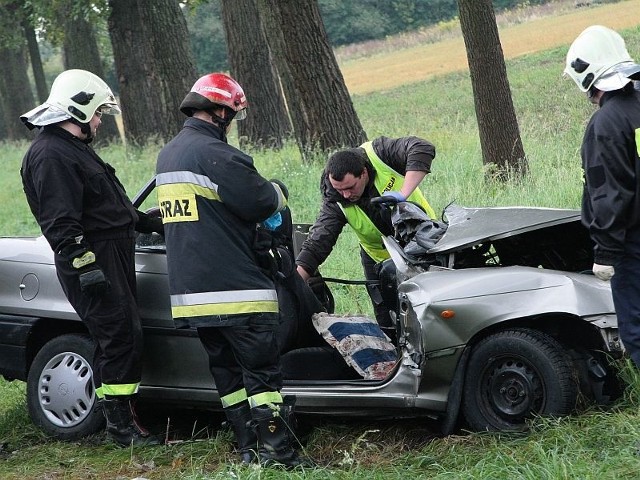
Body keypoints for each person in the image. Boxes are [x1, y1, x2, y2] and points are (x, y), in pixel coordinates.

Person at [156, 72, 309, 467]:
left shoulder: (168, 155)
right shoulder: (218, 155)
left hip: (194, 297)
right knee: (261, 374)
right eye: (233, 115)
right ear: (220, 110)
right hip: (237, 290)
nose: (232, 124)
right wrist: (278, 189)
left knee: (226, 374)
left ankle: (247, 448)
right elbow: (260, 202)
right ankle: (278, 452)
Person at [19, 69, 163, 446]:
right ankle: (121, 429)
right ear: (78, 108)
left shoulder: (73, 149)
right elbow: (61, 223)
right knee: (118, 338)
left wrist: (152, 222)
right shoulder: (51, 154)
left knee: (123, 334)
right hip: (95, 260)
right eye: (98, 112)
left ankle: (124, 420)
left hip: (112, 252)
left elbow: (108, 208)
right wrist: (86, 267)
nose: (100, 120)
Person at [295, 136, 436, 335]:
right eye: (339, 189)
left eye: (350, 187)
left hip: (423, 244)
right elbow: (319, 240)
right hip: (377, 259)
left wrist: (403, 194)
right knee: (388, 321)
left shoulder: (379, 154)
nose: (345, 195)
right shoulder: (335, 199)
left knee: (427, 312)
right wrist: (294, 282)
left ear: (363, 173)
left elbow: (423, 147)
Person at [564, 25, 640, 367]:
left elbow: (611, 192)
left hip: (630, 243)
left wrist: (606, 252)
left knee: (636, 327)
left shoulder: (606, 124)